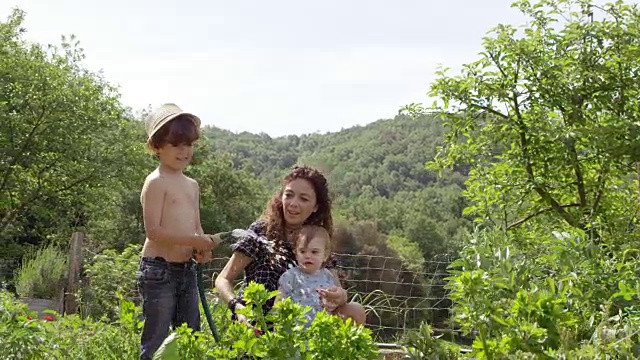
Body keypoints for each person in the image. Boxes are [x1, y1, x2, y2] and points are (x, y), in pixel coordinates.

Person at [215, 165, 366, 327]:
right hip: (258, 325)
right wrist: (237, 307)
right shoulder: (260, 232)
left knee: (354, 311)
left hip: (305, 330)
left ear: (316, 206)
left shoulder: (317, 238)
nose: (293, 203)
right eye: (289, 195)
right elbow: (223, 279)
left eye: (304, 199)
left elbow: (336, 289)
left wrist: (340, 296)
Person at [137, 103, 218, 360]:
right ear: (157, 147)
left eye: (189, 145)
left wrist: (201, 248)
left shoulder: (192, 185)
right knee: (157, 340)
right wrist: (193, 239)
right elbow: (154, 231)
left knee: (190, 335)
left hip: (186, 269)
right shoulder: (156, 182)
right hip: (159, 269)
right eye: (176, 145)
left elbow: (196, 225)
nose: (184, 151)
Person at [277, 225, 364, 326]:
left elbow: (335, 302)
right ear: (296, 254)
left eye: (314, 252)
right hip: (297, 331)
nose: (308, 256)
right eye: (302, 251)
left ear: (325, 255)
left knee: (356, 307)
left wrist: (332, 303)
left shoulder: (327, 275)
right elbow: (279, 304)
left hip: (322, 329)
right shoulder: (290, 276)